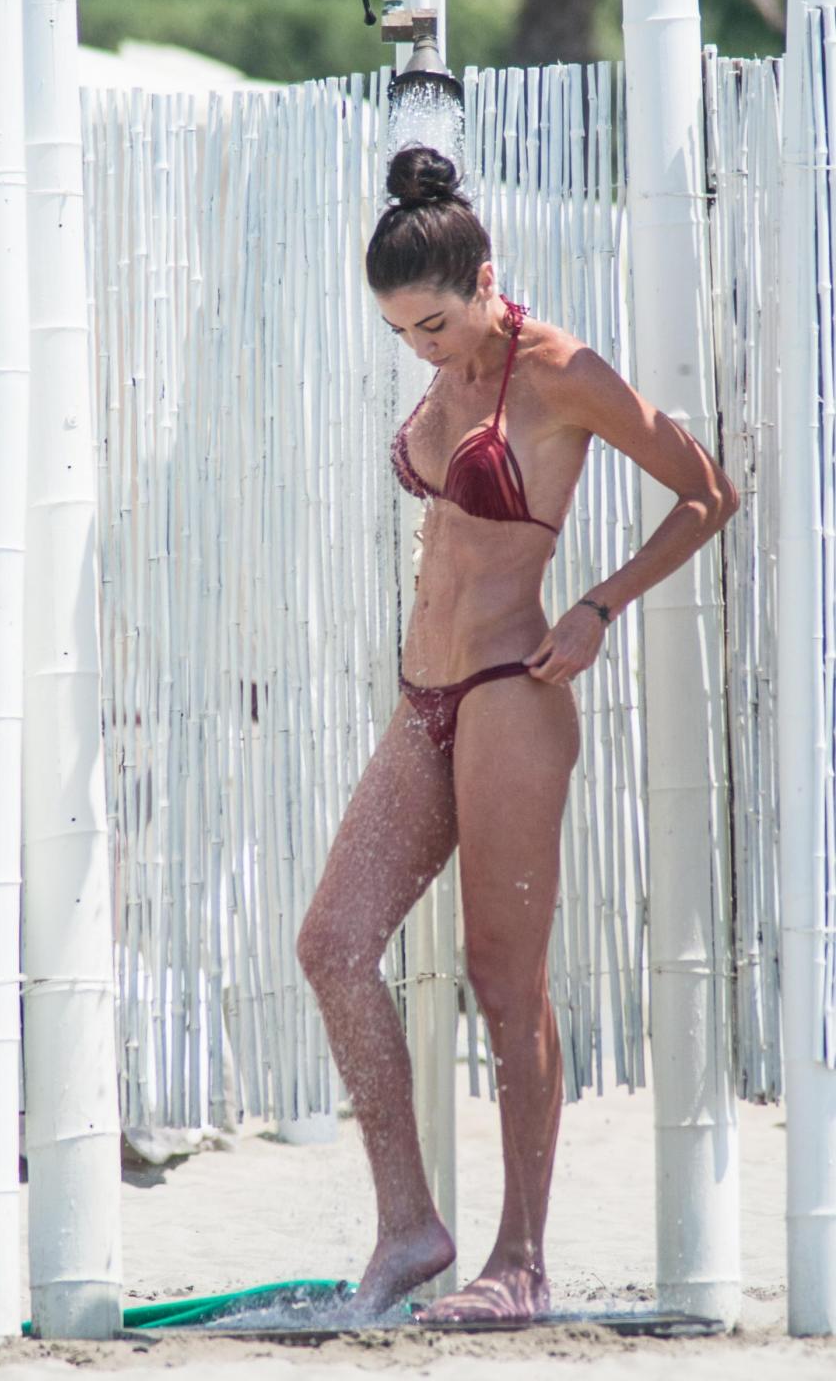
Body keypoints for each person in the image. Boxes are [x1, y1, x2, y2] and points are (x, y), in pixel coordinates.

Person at [296, 145, 739, 1324]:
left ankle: (523, 1258)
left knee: (504, 977)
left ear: (487, 280)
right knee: (332, 943)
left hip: (510, 684)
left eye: (434, 324)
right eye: (400, 333)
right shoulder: (449, 373)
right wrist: (433, 358)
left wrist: (599, 607)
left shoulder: (558, 371)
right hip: (423, 696)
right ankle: (410, 1222)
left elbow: (708, 491)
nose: (420, 349)